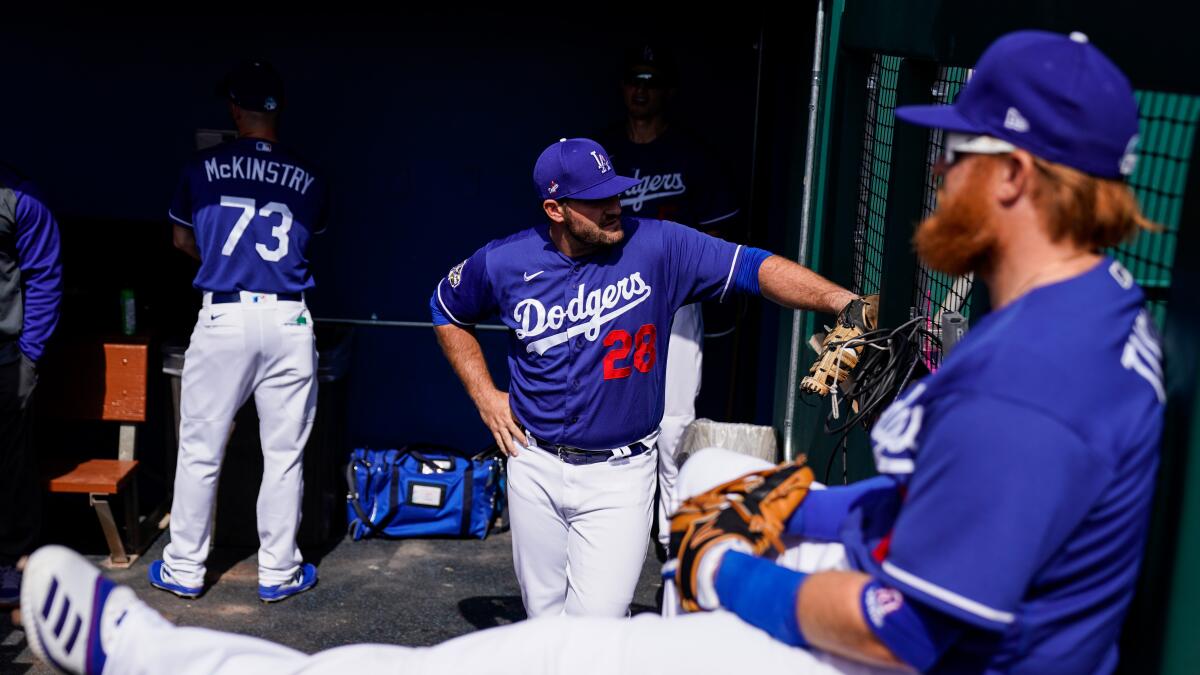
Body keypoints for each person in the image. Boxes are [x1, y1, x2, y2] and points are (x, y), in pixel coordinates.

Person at [20, 28, 1162, 675]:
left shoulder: (1033, 379)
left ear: (1013, 177)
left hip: (870, 633)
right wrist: (808, 511)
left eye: (956, 154)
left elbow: (910, 624)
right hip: (547, 464)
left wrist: (727, 574)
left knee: (569, 654)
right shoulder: (1098, 316)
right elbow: (948, 530)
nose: (943, 176)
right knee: (550, 645)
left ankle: (178, 663)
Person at [430, 136, 858, 618]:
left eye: (616, 193)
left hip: (620, 474)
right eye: (598, 201)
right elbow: (446, 309)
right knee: (544, 624)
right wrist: (485, 396)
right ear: (555, 209)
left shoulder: (658, 244)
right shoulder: (505, 260)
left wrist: (841, 302)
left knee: (598, 626)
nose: (616, 207)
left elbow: (754, 267)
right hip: (533, 464)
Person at [153, 60, 328, 603]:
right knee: (284, 453)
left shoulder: (201, 166)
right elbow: (306, 237)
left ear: (234, 108)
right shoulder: (309, 174)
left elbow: (183, 242)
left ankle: (184, 568)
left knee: (201, 449)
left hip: (224, 312)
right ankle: (277, 571)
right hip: (288, 317)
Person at [596, 45, 743, 558]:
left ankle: (670, 534)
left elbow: (721, 237)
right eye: (633, 79)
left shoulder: (692, 155)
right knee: (612, 414)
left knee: (675, 418)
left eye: (651, 81)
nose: (641, 90)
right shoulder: (604, 152)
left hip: (675, 301)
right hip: (609, 298)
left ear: (668, 92)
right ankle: (619, 527)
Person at [0, 165, 62, 608]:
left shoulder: (20, 197)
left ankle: (11, 564)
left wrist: (29, 354)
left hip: (5, 358)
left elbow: (44, 276)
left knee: (9, 466)